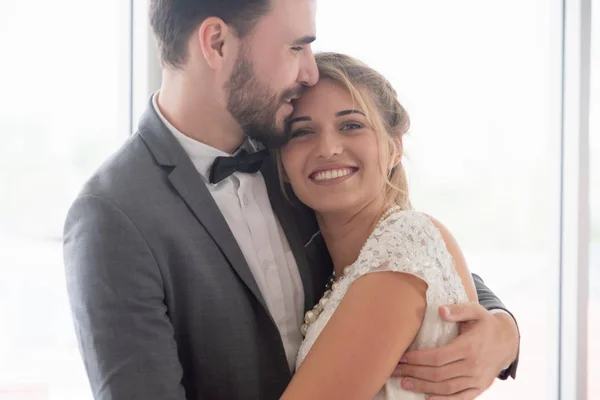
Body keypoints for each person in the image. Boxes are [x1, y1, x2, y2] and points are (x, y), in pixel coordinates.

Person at [63, 1, 519, 399]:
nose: (310, 72)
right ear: (217, 43)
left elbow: (400, 256)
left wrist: (503, 330)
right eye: (296, 47)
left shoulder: (293, 152)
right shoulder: (112, 216)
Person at [276, 51, 506, 399]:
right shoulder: (349, 258)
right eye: (302, 131)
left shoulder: (404, 245)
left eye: (351, 125)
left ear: (395, 147)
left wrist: (506, 329)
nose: (327, 148)